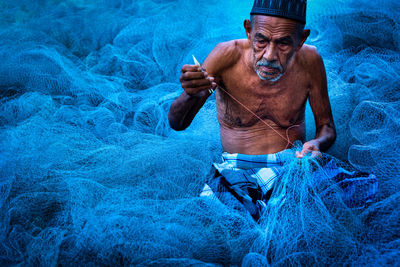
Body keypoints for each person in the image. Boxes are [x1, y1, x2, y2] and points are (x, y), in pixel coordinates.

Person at [168, 0, 377, 221]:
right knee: (224, 219)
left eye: (283, 43)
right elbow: (177, 123)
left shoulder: (310, 60)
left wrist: (318, 143)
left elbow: (326, 127)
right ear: (249, 30)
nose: (269, 55)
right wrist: (191, 94)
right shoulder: (226, 55)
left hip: (294, 166)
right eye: (262, 40)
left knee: (353, 197)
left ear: (301, 39)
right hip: (235, 168)